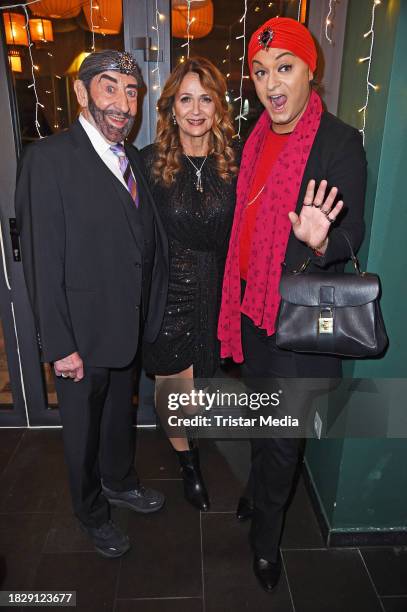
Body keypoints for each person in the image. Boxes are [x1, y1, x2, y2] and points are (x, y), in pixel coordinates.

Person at [218, 18, 367, 591]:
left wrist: (323, 239)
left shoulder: (338, 142)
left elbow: (355, 236)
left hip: (301, 322)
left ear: (311, 71)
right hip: (255, 316)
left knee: (282, 437)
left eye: (284, 67)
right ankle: (257, 492)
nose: (271, 83)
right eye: (260, 71)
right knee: (263, 422)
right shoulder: (255, 138)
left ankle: (265, 542)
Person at [15, 50, 168, 559]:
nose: (123, 103)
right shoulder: (49, 158)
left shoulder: (132, 159)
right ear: (81, 93)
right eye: (109, 88)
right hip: (79, 336)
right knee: (81, 433)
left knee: (117, 421)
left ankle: (120, 482)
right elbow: (40, 258)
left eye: (131, 92)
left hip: (124, 327)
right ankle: (90, 512)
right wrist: (59, 345)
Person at [141, 57, 239, 511]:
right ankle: (188, 465)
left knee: (202, 389)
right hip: (168, 293)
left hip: (217, 294)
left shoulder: (235, 166)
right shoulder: (148, 166)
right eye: (186, 99)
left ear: (219, 108)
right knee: (173, 390)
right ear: (171, 109)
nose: (196, 109)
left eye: (206, 99)